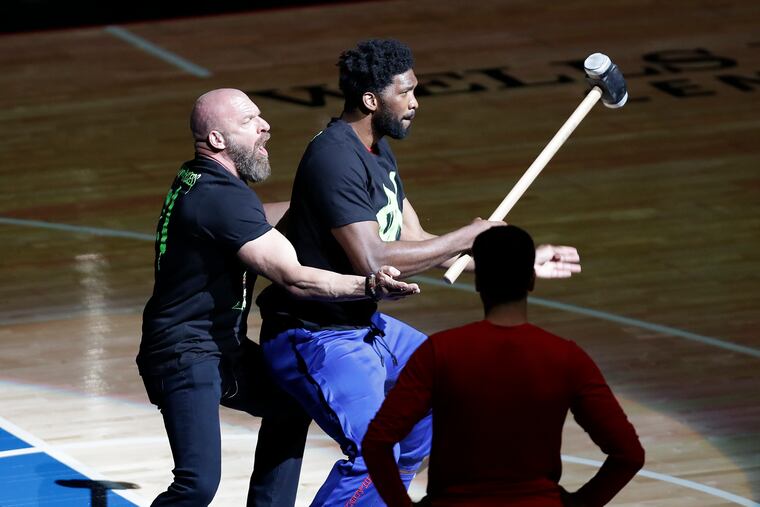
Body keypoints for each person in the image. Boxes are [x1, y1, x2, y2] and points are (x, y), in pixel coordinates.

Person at [255, 40, 582, 506]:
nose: (414, 103)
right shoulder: (335, 159)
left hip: (361, 325)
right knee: (374, 455)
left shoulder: (378, 152)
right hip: (316, 335)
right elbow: (372, 259)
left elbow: (415, 239)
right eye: (405, 93)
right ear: (371, 99)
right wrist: (466, 236)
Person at [137, 87, 419, 507]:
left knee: (290, 398)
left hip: (219, 346)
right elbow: (295, 278)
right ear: (218, 140)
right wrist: (370, 284)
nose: (265, 126)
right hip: (183, 357)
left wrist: (336, 199)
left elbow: (264, 217)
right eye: (250, 121)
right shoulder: (221, 201)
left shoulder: (201, 179)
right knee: (197, 484)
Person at [362, 225, 645, 507]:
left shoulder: (440, 352)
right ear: (532, 280)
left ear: (477, 282)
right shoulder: (566, 357)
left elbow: (377, 443)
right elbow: (629, 454)